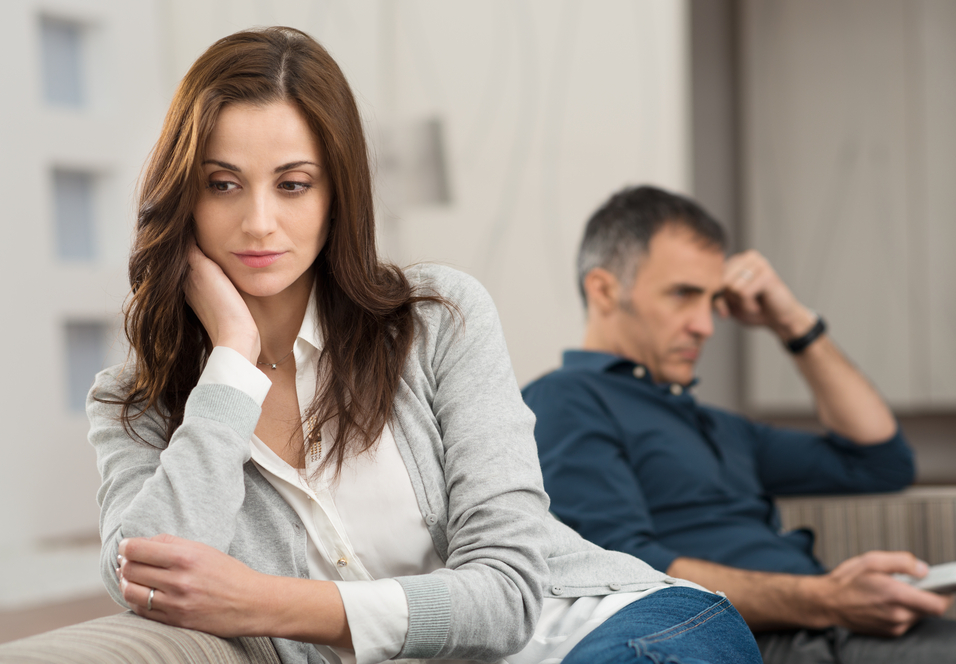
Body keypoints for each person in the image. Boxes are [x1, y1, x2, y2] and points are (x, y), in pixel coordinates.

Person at [89, 28, 761, 664]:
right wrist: (232, 357)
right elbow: (146, 578)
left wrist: (261, 603)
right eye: (222, 184)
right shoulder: (135, 405)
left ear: (336, 196)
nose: (258, 221)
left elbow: (507, 595)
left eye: (293, 184)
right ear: (185, 195)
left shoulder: (439, 319)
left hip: (618, 626)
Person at [521, 185, 956, 663]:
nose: (705, 325)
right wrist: (828, 598)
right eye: (683, 295)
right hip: (740, 638)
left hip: (828, 632)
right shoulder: (565, 399)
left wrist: (792, 322)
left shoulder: (719, 425)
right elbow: (624, 572)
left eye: (712, 300)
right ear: (603, 290)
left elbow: (880, 460)